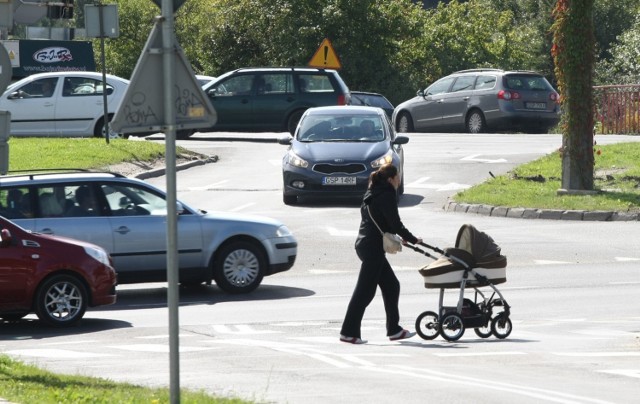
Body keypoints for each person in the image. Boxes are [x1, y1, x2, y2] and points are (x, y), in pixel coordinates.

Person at [340, 163, 422, 344]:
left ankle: (394, 330)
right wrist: (413, 239)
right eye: (398, 178)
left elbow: (382, 220)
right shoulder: (386, 194)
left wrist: (402, 236)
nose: (399, 181)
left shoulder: (373, 191)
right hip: (373, 248)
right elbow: (395, 223)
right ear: (391, 179)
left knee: (392, 285)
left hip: (366, 244)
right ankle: (349, 332)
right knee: (364, 292)